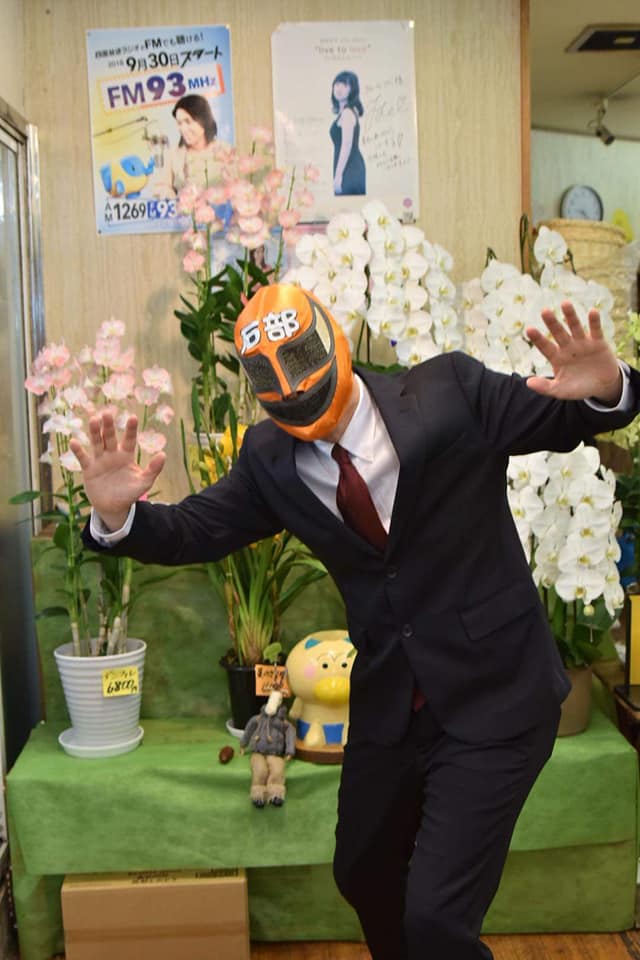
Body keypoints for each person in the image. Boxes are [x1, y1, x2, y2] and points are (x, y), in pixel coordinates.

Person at [73, 284, 640, 960]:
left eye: (300, 358)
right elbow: (196, 529)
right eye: (268, 374)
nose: (291, 384)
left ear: (332, 338)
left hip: (497, 695)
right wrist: (118, 517)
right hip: (392, 703)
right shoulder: (269, 458)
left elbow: (560, 415)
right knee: (363, 873)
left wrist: (609, 387)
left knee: (435, 919)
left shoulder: (449, 392)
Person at [151, 93, 230, 199]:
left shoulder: (225, 150)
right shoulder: (173, 154)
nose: (183, 129)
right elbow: (161, 186)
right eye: (179, 123)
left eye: (188, 122)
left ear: (203, 120)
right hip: (183, 208)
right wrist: (170, 195)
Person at [330, 71, 366, 196]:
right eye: (337, 84)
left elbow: (346, 145)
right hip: (347, 167)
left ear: (352, 89)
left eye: (345, 85)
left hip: (350, 169)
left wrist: (338, 176)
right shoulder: (344, 113)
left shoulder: (347, 113)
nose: (339, 88)